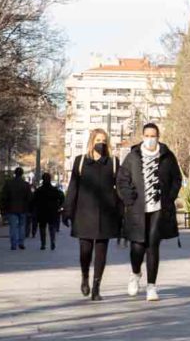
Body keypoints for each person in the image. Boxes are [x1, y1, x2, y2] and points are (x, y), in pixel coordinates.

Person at [117, 123, 183, 302]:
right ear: (143, 136)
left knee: (153, 245)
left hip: (158, 209)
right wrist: (129, 198)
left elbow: (177, 178)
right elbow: (122, 179)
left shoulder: (167, 156)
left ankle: (152, 286)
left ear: (158, 136)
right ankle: (135, 273)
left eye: (153, 135)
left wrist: (169, 197)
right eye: (147, 135)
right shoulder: (133, 157)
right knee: (137, 246)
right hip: (137, 209)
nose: (150, 138)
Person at [62, 129, 122, 301]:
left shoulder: (113, 163)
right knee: (85, 250)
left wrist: (121, 213)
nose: (100, 143)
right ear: (91, 141)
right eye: (97, 140)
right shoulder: (80, 161)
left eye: (104, 140)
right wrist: (67, 210)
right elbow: (73, 187)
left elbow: (119, 190)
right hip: (84, 213)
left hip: (106, 214)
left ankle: (96, 287)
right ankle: (85, 276)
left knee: (102, 253)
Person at [0, 167, 33, 251]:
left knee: (13, 227)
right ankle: (21, 242)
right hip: (23, 208)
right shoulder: (25, 184)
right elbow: (30, 198)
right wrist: (30, 209)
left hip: (11, 208)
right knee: (22, 226)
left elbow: (4, 196)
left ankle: (13, 244)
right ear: (22, 174)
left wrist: (3, 207)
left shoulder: (9, 184)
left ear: (15, 173)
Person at [32, 172, 65, 251]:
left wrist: (35, 208)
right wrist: (59, 206)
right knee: (52, 227)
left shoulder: (39, 190)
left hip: (42, 211)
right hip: (52, 211)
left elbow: (33, 200)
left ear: (42, 179)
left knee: (42, 228)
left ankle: (43, 244)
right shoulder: (54, 190)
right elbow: (62, 197)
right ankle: (52, 241)